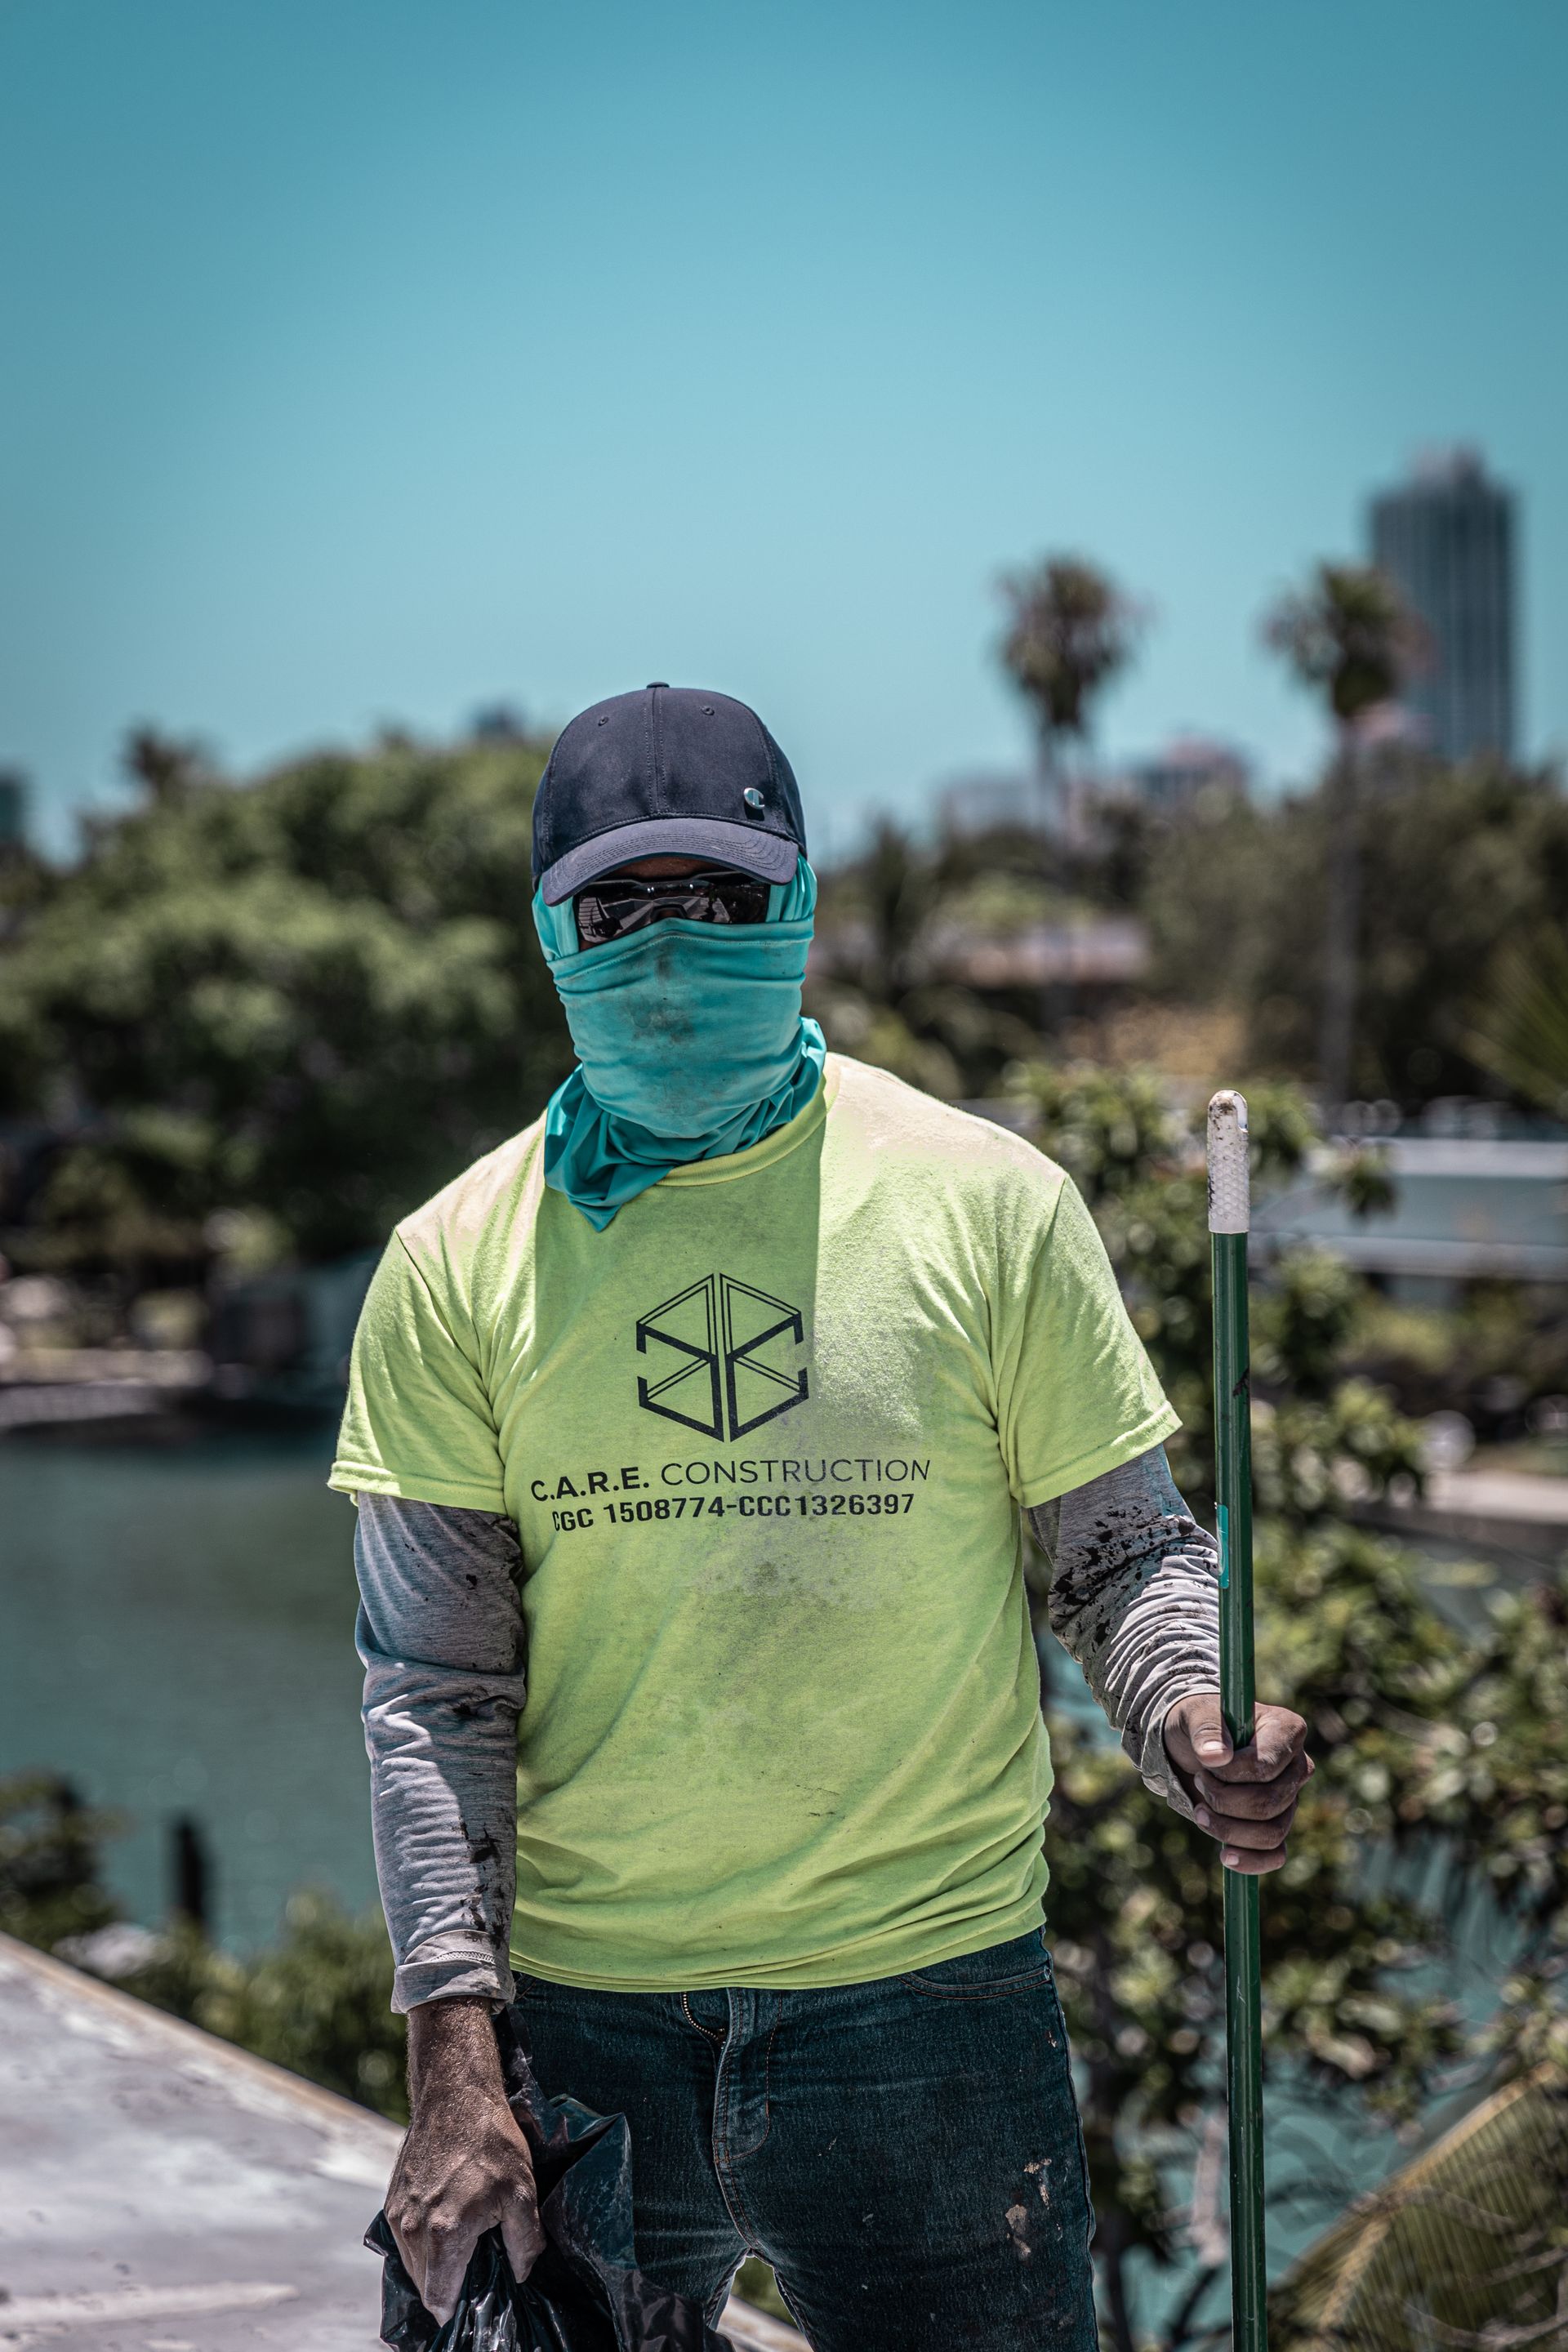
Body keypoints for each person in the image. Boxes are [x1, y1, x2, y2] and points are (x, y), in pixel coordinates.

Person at [332, 684, 1310, 2351]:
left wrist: (1191, 1714)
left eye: (713, 901)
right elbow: (433, 1696)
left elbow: (1126, 1561)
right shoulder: (453, 1262)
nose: (664, 948)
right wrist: (453, 2061)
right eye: (616, 906)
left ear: (795, 907)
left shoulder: (987, 1206)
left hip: (925, 2004)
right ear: (546, 933)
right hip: (576, 2029)